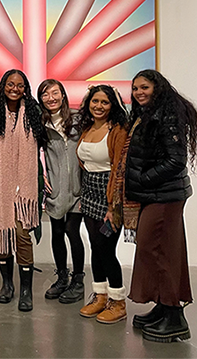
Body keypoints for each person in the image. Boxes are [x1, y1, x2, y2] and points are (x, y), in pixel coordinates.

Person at [122, 69, 197, 342]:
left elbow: (176, 161)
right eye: (135, 89)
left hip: (165, 196)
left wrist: (143, 180)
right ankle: (162, 306)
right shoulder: (149, 114)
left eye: (144, 87)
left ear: (158, 87)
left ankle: (175, 317)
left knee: (157, 251)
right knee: (155, 250)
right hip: (156, 195)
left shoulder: (167, 115)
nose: (139, 93)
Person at [0, 69, 47, 312]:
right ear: (3, 85)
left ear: (25, 87)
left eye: (19, 84)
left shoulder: (33, 112)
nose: (14, 88)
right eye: (10, 84)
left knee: (22, 235)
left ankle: (26, 290)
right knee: (1, 235)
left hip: (24, 186)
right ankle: (7, 284)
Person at [75, 85, 129, 324]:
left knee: (106, 249)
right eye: (95, 101)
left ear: (113, 106)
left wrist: (113, 206)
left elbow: (120, 168)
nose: (98, 106)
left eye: (104, 102)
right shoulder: (87, 128)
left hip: (109, 195)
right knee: (95, 247)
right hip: (89, 193)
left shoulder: (117, 131)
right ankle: (100, 296)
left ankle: (118, 301)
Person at [37, 79, 85, 304]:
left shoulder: (79, 119)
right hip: (55, 188)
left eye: (54, 93)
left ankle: (78, 279)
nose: (51, 98)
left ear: (63, 95)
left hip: (78, 188)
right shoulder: (41, 125)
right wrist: (42, 175)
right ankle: (62, 277)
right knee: (56, 232)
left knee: (72, 231)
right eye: (45, 95)